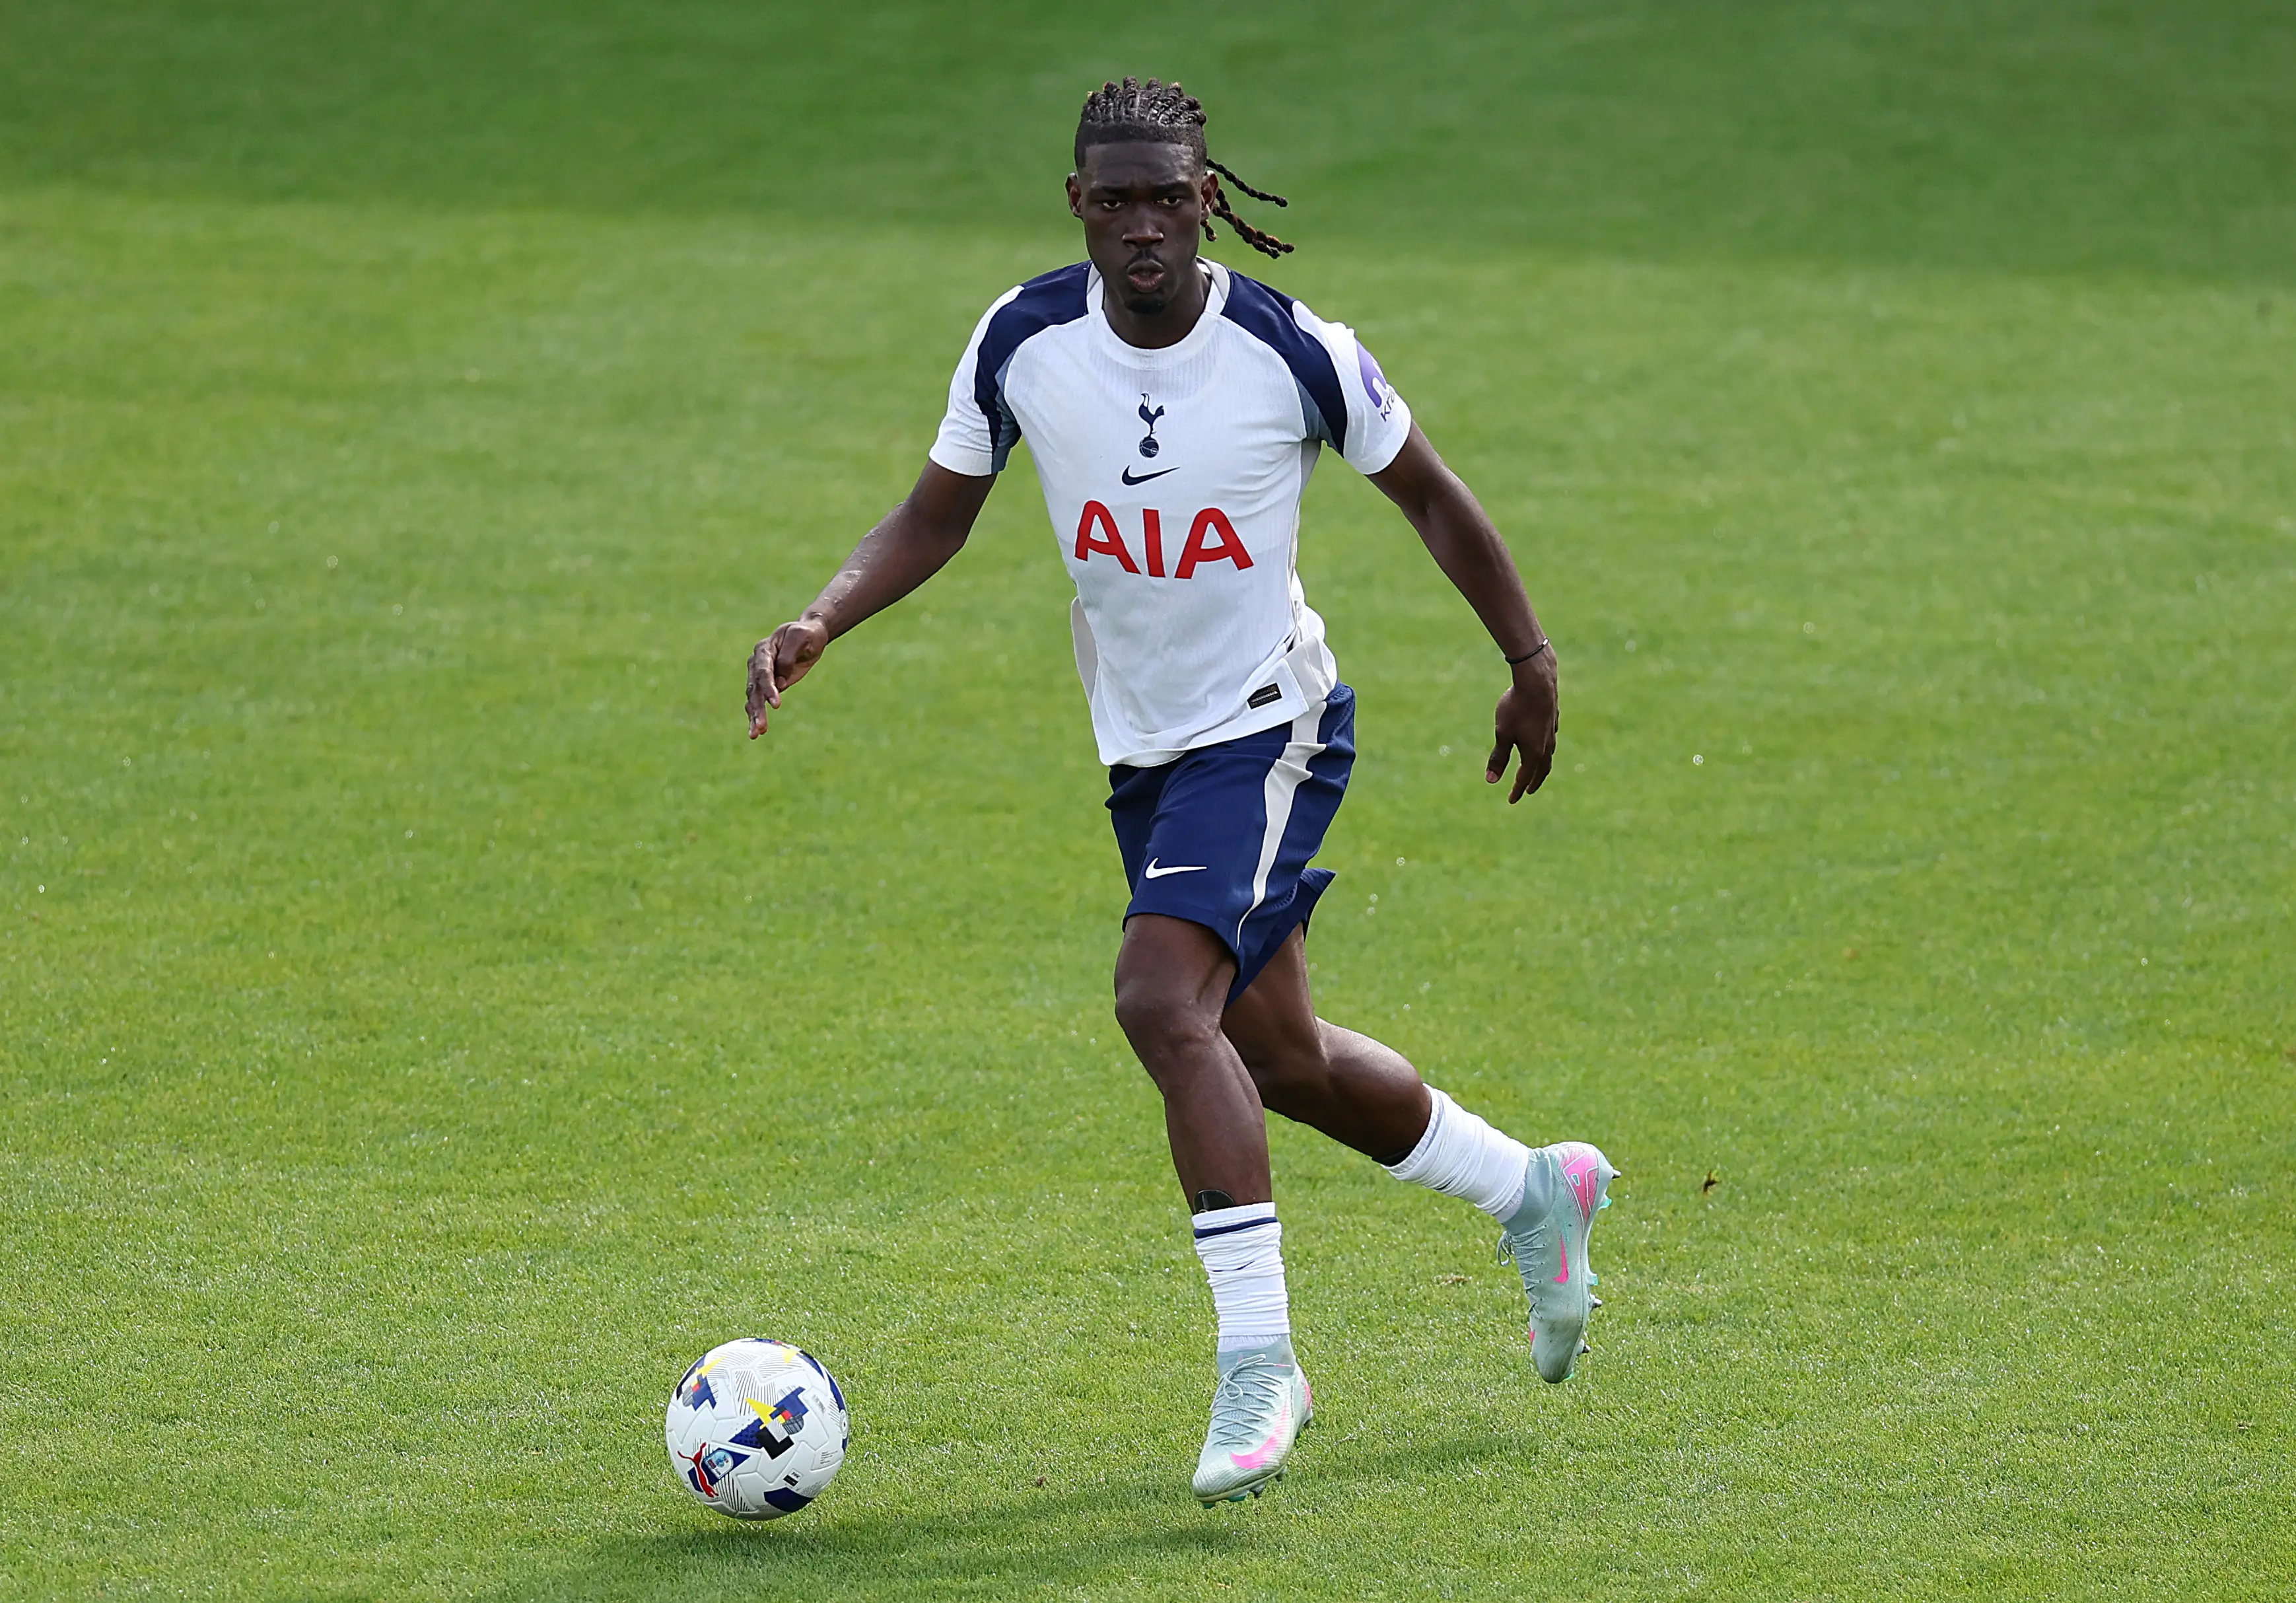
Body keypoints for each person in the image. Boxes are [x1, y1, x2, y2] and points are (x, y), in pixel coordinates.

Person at [746, 76, 1616, 1508]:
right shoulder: (1022, 339)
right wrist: (826, 616)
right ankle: (1532, 1190)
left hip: (1270, 726)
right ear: (1077, 205)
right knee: (1276, 1055)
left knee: (1161, 1000)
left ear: (1208, 200)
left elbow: (1437, 497)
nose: (1143, 223)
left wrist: (1527, 658)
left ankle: (1261, 1362)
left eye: (1168, 196)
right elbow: (933, 514)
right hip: (1143, 751)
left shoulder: (1290, 350)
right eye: (1116, 199)